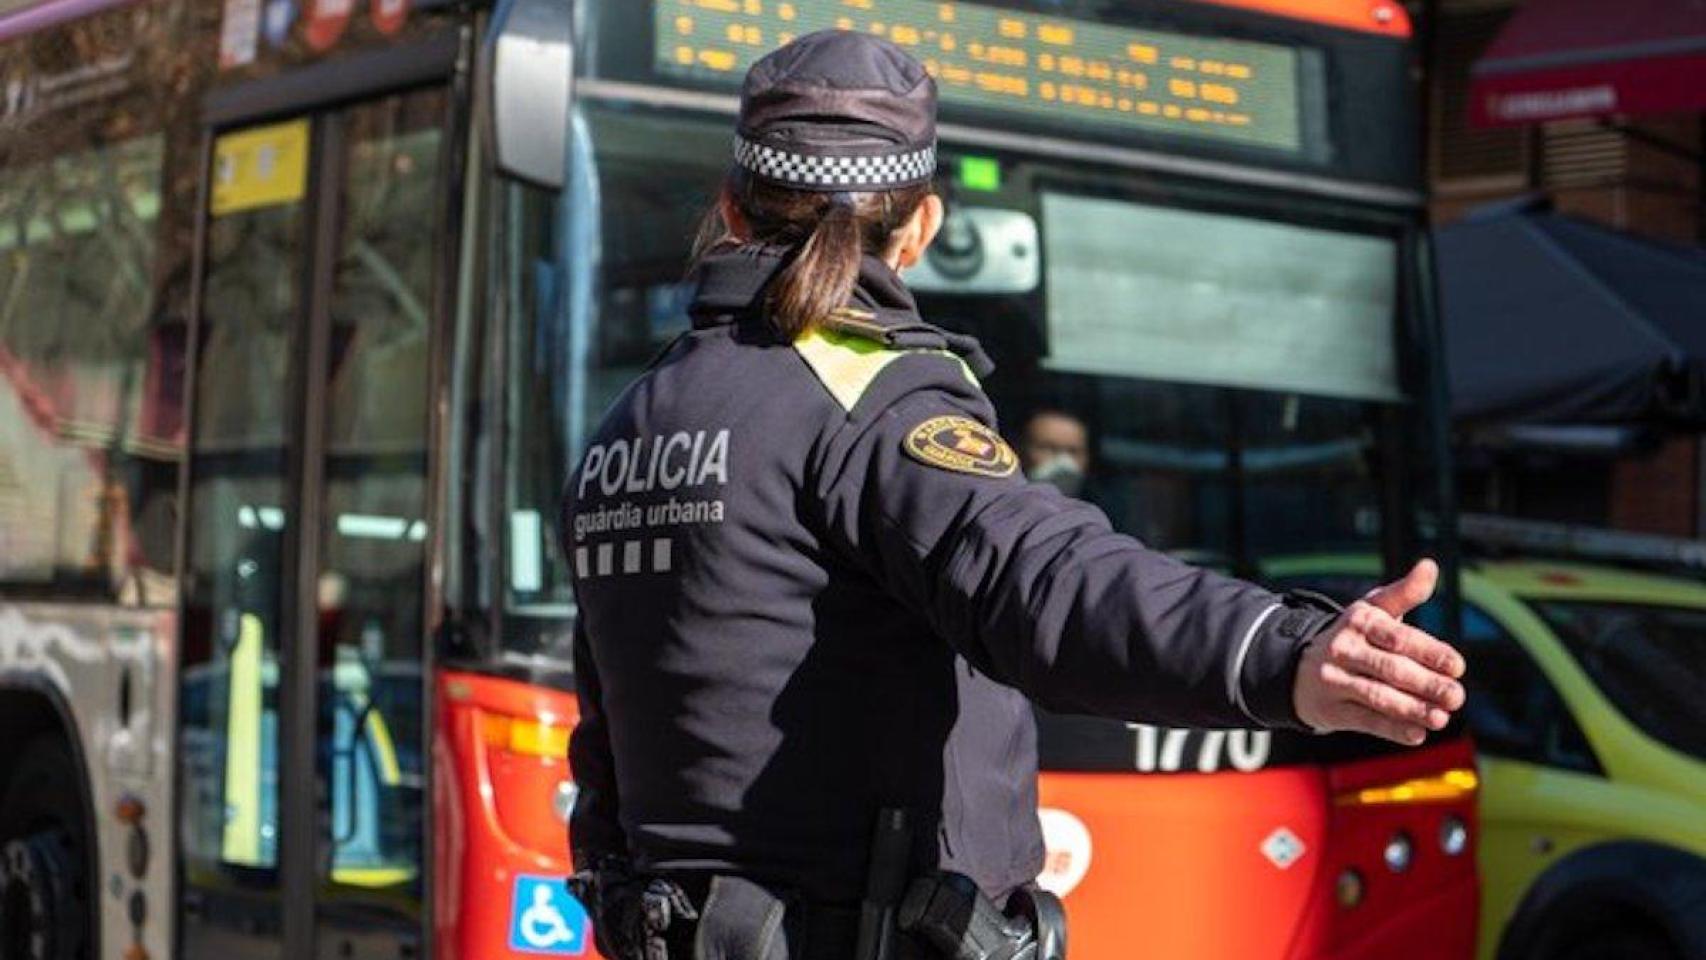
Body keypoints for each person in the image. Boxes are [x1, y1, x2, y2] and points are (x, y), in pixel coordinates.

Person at [561, 30, 1465, 960]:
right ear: (920, 227)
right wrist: (1282, 655)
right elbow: (1047, 580)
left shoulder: (634, 423)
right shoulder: (870, 396)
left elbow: (604, 753)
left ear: (733, 210)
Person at [1018, 408, 1092, 499]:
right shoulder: (1000, 506)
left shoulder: (1106, 507)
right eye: (1048, 448)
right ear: (1019, 451)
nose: (1063, 461)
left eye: (1073, 451)